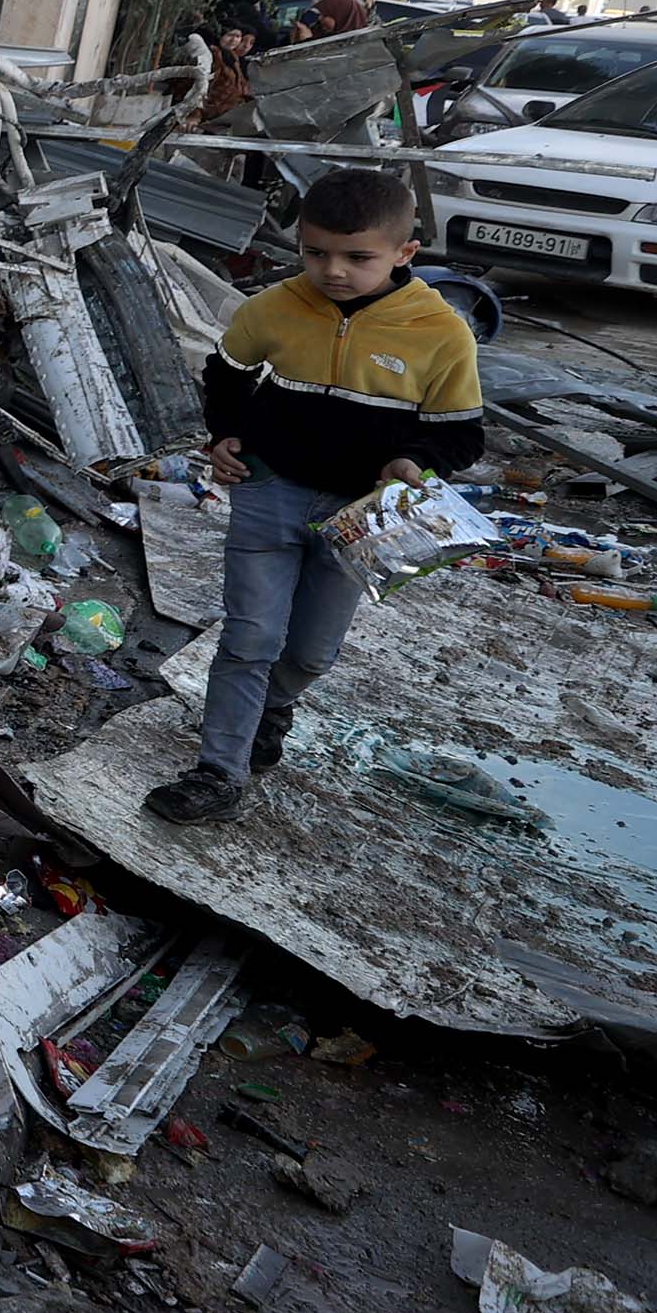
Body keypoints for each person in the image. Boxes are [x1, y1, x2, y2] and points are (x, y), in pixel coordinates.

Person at [143, 167, 484, 827]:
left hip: (358, 518)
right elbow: (227, 375)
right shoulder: (273, 305)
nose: (333, 270)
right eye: (316, 252)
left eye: (358, 257)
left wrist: (412, 459)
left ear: (404, 253)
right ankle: (219, 771)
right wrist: (226, 436)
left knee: (308, 652)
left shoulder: (441, 333)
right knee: (249, 638)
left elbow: (462, 434)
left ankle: (273, 708)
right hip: (267, 491)